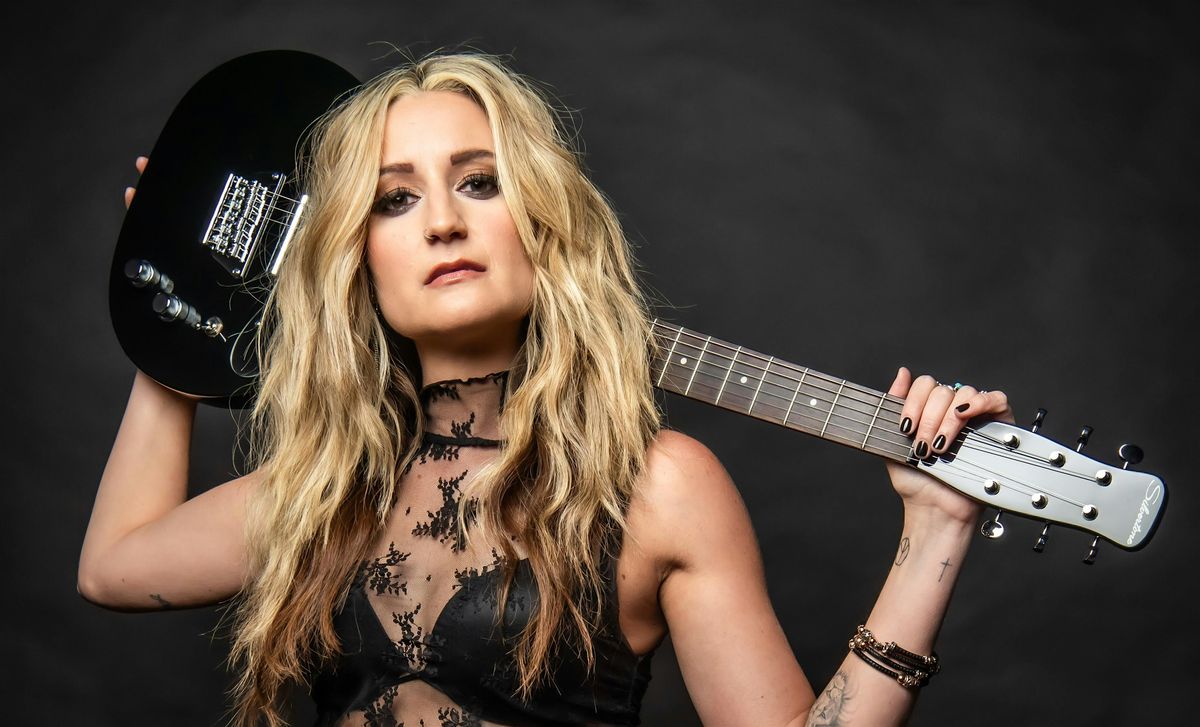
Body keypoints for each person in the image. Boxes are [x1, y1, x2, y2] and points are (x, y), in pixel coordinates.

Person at [79, 53, 1013, 726]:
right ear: (357, 258)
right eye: (395, 198)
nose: (442, 222)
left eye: (480, 183)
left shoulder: (660, 488)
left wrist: (935, 530)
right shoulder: (327, 488)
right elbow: (112, 566)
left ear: (541, 221)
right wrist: (181, 316)